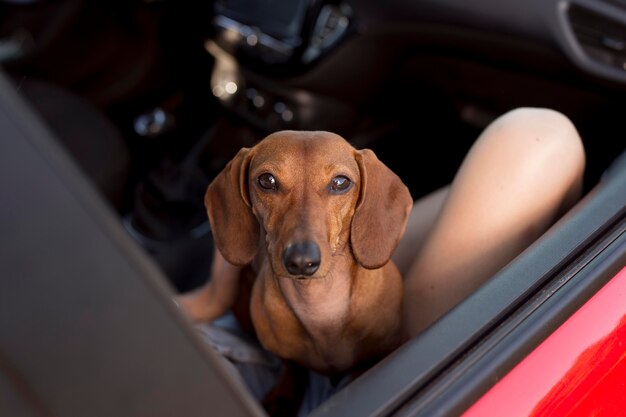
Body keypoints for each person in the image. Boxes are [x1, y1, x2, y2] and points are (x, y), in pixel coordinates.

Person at [176, 106, 586, 414]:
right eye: (269, 183)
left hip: (213, 331)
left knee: (536, 137)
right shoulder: (262, 318)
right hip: (379, 386)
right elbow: (237, 230)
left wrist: (206, 299)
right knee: (541, 137)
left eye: (338, 184)